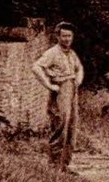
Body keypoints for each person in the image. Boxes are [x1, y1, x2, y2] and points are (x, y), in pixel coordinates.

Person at [32, 21, 85, 170]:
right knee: (60, 124)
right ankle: (54, 166)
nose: (67, 39)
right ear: (57, 36)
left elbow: (79, 67)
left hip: (72, 88)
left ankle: (65, 165)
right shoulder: (52, 53)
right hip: (61, 89)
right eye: (64, 36)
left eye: (69, 36)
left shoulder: (71, 53)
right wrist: (49, 85)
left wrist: (78, 79)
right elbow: (36, 67)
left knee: (72, 127)